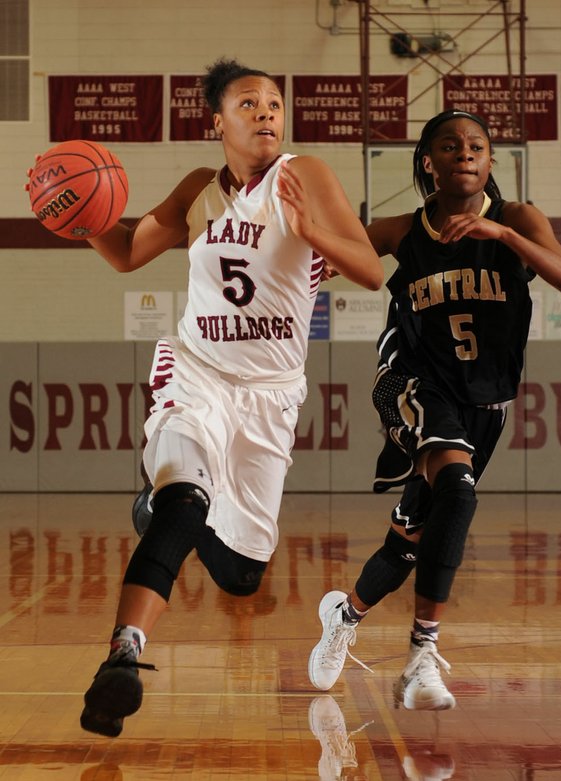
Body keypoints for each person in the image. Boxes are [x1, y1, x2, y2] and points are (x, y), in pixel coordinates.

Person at [74, 57, 382, 737]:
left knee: (243, 576)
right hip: (198, 374)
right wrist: (81, 217)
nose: (266, 113)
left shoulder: (307, 177)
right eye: (248, 104)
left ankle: (157, 504)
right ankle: (123, 654)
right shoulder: (197, 190)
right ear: (216, 122)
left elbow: (367, 270)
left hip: (269, 396)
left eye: (273, 102)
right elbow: (126, 251)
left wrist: (312, 234)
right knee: (188, 499)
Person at [307, 109, 561, 709]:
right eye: (450, 145)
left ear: (490, 163)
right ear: (428, 162)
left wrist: (507, 239)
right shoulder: (402, 231)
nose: (465, 152)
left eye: (478, 145)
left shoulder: (517, 218)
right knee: (458, 494)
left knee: (412, 538)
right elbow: (326, 259)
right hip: (411, 379)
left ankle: (345, 614)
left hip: (485, 403)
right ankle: (421, 656)